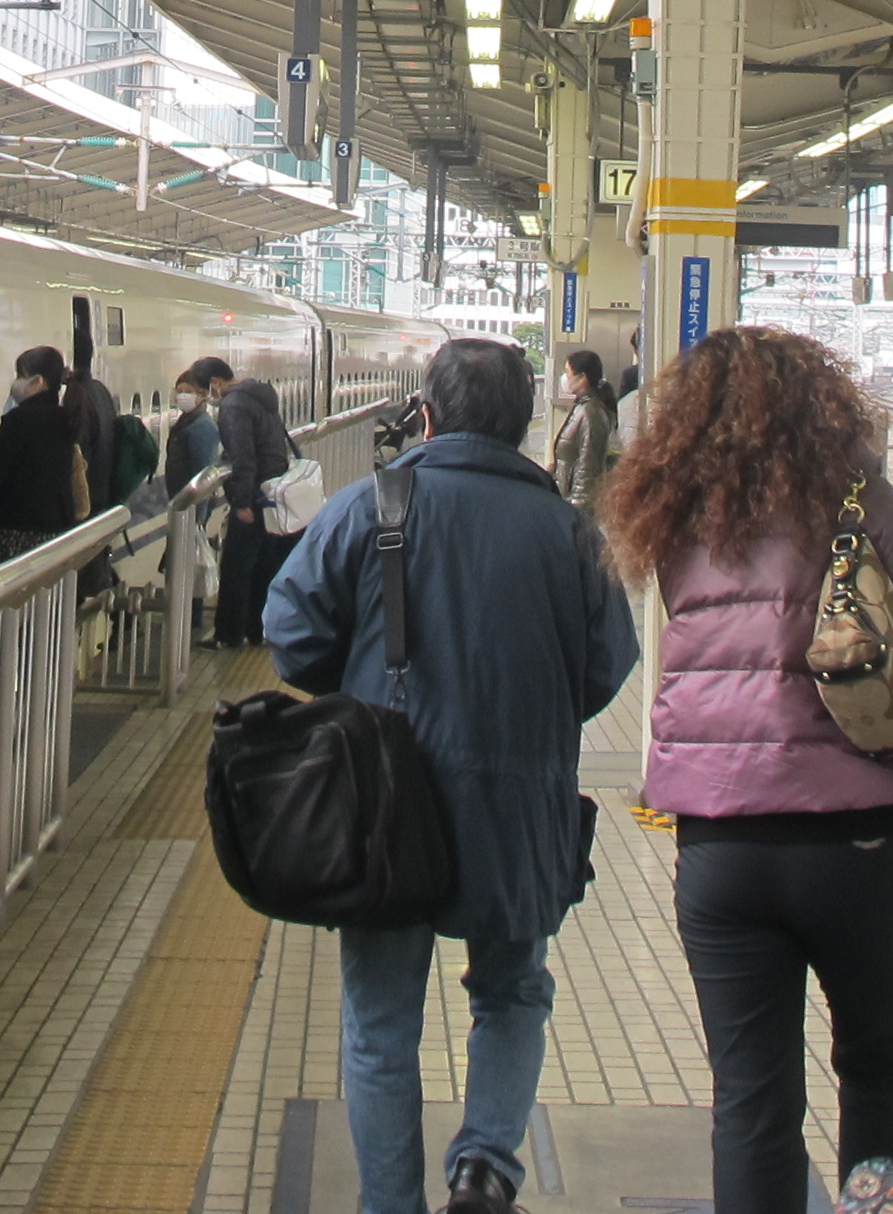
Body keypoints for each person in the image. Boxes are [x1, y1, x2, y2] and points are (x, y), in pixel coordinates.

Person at [604, 326, 893, 1214]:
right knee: (880, 1066)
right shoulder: (853, 492)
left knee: (752, 1098)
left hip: (721, 846)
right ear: (817, 402)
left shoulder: (672, 504)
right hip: (858, 840)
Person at [266, 338, 638, 1214]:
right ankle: (484, 1168)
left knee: (380, 1021)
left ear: (426, 415)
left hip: (387, 803)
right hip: (523, 801)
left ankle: (391, 1204)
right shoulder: (569, 531)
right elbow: (607, 664)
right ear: (521, 423)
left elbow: (290, 633)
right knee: (512, 990)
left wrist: (359, 687)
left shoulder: (372, 505)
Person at [0, 345, 87, 566]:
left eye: (20, 376)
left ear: (38, 381)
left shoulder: (19, 420)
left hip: (16, 534)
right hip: (54, 533)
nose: (16, 382)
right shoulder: (65, 419)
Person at [213, 356, 299, 649]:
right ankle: (257, 629)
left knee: (237, 567)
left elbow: (242, 456)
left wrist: (241, 502)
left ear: (214, 383)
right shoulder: (260, 396)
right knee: (265, 564)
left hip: (254, 495)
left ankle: (230, 634)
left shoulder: (233, 405)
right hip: (273, 491)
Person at [547, 349, 619, 511]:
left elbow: (588, 466)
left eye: (568, 373)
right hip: (566, 500)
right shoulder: (582, 407)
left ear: (582, 378)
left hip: (577, 507)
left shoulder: (590, 413)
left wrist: (577, 508)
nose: (565, 379)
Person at [61, 330, 122, 517]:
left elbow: (78, 447)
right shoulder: (100, 390)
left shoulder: (75, 396)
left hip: (85, 499)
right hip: (103, 492)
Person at [166, 360, 226, 492]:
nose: (182, 396)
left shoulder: (202, 426)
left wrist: (198, 502)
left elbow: (203, 474)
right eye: (179, 391)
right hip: (182, 497)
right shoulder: (185, 421)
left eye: (188, 392)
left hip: (192, 499)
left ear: (202, 395)